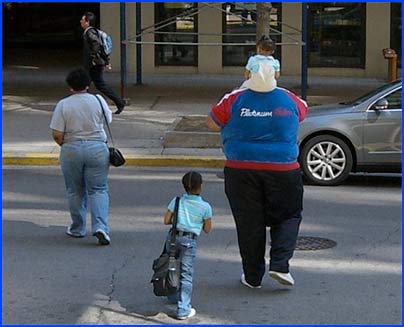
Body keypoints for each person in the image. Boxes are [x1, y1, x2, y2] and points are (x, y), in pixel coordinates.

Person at [206, 84, 308, 289]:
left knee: (249, 223)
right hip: (283, 168)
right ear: (276, 75)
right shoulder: (288, 98)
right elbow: (302, 113)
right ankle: (280, 265)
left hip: (241, 168)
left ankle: (252, 277)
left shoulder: (235, 98)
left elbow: (212, 123)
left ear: (247, 75)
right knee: (288, 215)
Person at [50, 68, 112, 246]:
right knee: (99, 189)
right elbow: (108, 120)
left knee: (75, 190)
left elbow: (56, 133)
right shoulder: (98, 100)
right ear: (88, 84)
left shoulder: (63, 105)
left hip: (71, 148)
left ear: (70, 87)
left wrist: (65, 144)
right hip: (97, 148)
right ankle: (101, 227)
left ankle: (77, 227)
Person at [163, 171, 212, 320]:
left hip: (173, 238)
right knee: (186, 274)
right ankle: (184, 308)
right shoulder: (205, 207)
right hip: (189, 242)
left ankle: (172, 294)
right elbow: (207, 229)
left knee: (171, 266)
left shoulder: (177, 201)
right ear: (200, 187)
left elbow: (166, 220)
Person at [80, 11, 127, 114]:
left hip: (94, 64)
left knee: (89, 84)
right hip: (96, 63)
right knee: (93, 84)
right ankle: (119, 102)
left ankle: (119, 102)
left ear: (88, 22)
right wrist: (105, 61)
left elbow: (96, 43)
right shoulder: (94, 31)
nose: (81, 22)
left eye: (83, 20)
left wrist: (92, 56)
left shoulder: (89, 32)